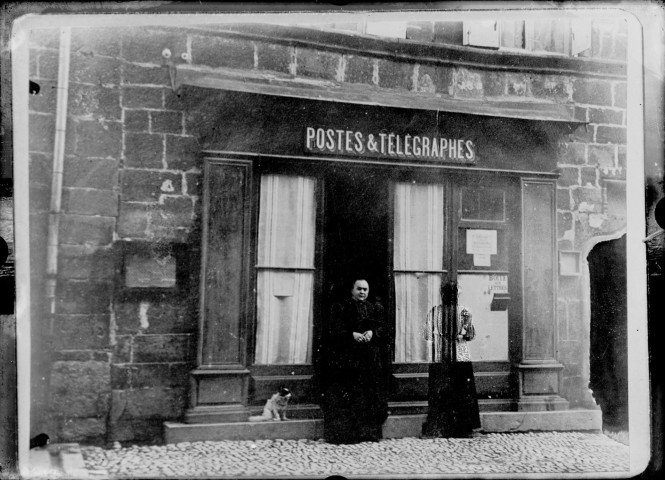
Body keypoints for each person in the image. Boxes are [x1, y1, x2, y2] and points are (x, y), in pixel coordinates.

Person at [321, 278, 389, 444]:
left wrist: (373, 333)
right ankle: (348, 435)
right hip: (348, 360)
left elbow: (383, 328)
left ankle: (368, 433)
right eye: (359, 289)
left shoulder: (374, 308)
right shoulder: (340, 307)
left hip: (369, 360)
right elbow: (333, 331)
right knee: (350, 396)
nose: (362, 292)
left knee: (368, 395)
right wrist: (352, 335)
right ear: (352, 290)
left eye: (365, 289)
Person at [423, 282, 481, 438]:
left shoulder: (434, 312)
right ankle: (464, 429)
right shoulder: (465, 312)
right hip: (460, 357)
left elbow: (427, 334)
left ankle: (440, 429)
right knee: (463, 393)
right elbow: (470, 335)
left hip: (441, 356)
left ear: (442, 295)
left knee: (442, 393)